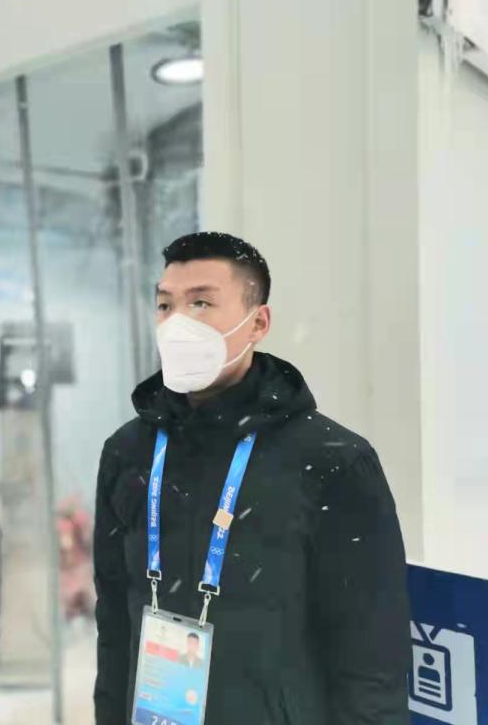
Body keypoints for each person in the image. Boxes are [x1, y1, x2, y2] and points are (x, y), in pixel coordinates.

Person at [93, 232, 410, 724]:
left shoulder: (332, 461)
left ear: (257, 323)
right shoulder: (129, 452)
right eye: (165, 305)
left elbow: (370, 654)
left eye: (201, 303)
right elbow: (114, 621)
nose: (177, 323)